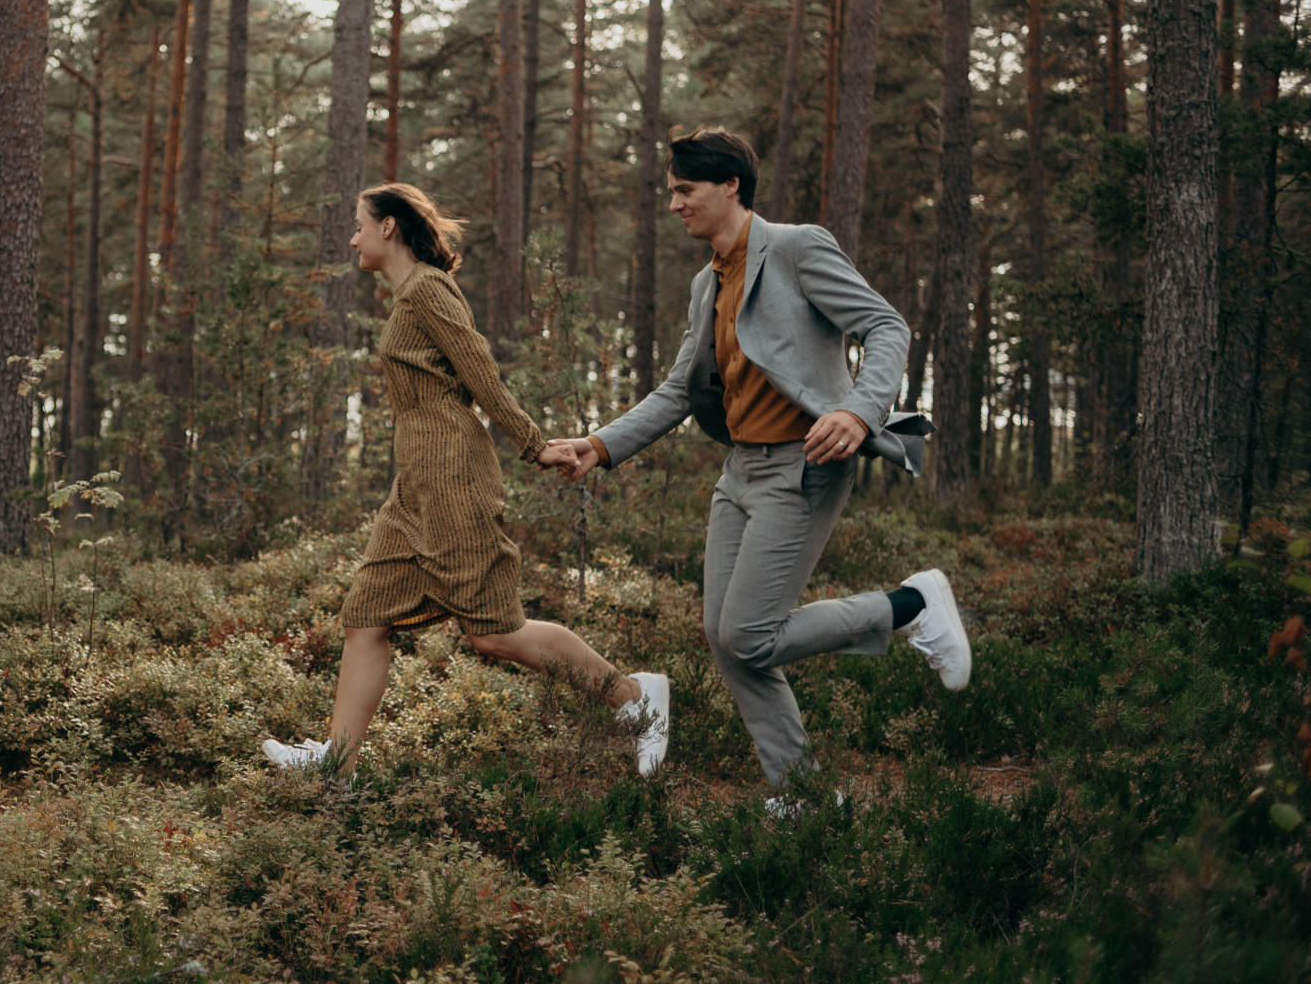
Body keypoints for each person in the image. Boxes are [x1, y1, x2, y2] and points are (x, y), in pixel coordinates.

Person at [541, 129, 970, 806]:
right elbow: (681, 390)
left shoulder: (797, 248)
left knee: (747, 633)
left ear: (730, 186)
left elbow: (887, 327)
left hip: (804, 465)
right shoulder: (705, 284)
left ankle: (910, 606)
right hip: (739, 473)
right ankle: (800, 793)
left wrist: (859, 410)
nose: (674, 203)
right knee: (725, 636)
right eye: (672, 190)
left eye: (685, 190)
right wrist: (597, 446)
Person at [262, 183, 670, 778]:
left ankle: (634, 698)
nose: (351, 237)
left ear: (388, 228)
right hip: (415, 491)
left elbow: (481, 370)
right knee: (365, 616)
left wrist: (534, 444)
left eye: (358, 224)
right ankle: (337, 766)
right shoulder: (405, 300)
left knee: (495, 632)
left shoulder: (428, 289)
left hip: (455, 481)